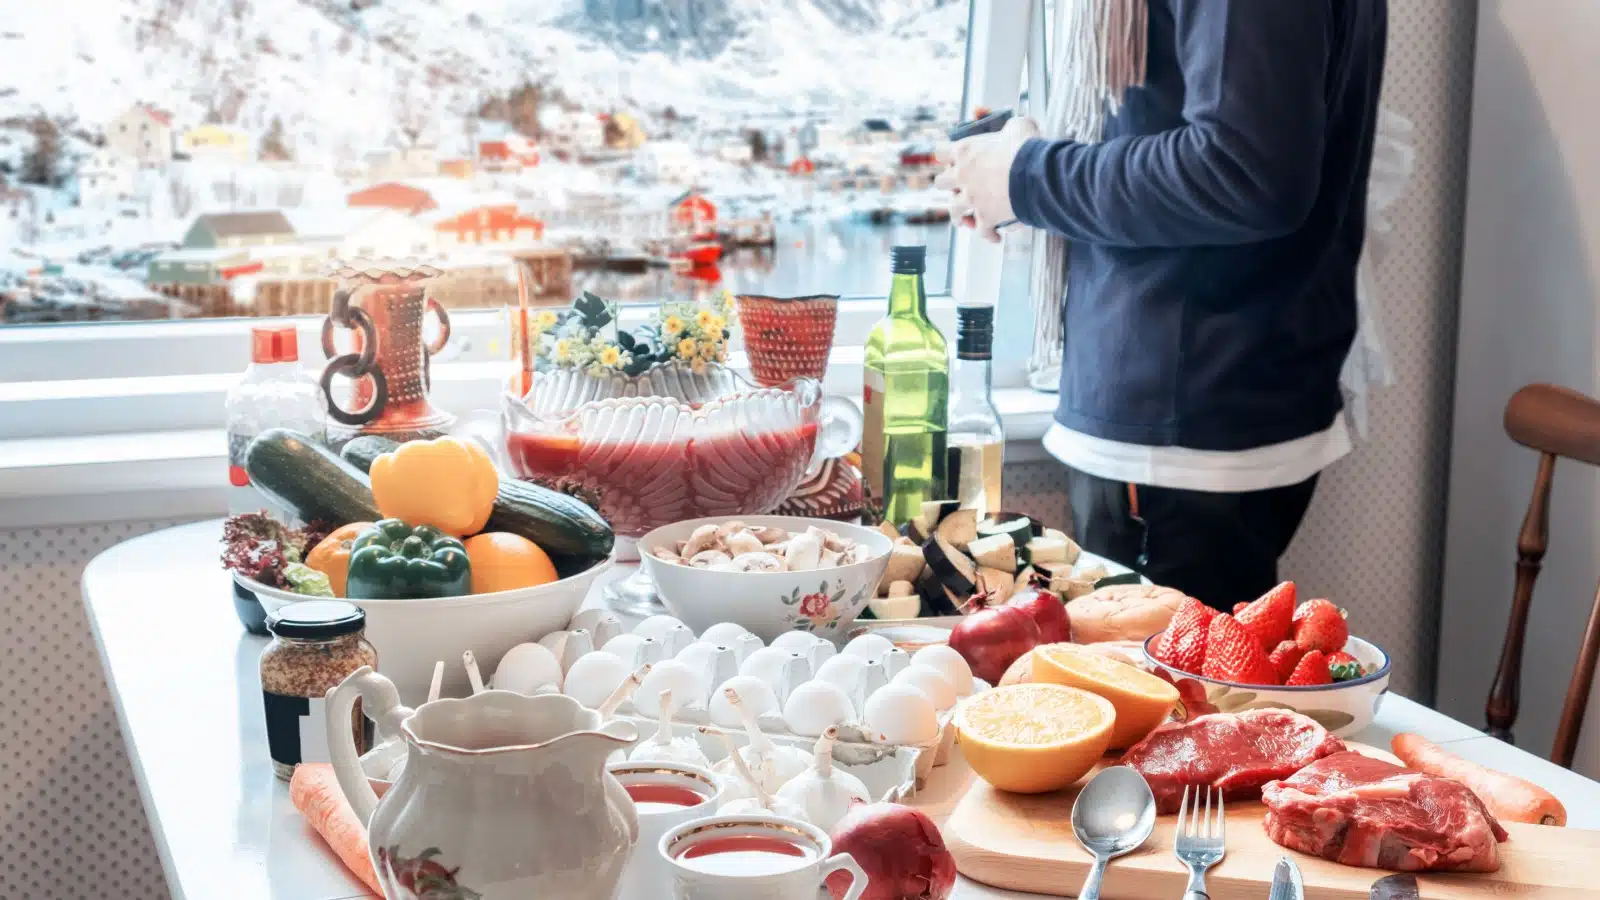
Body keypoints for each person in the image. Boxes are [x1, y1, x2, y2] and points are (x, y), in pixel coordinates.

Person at [936, 0, 1388, 611]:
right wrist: (1017, 171)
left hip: (1181, 419)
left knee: (1164, 674)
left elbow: (1242, 169)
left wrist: (1030, 178)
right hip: (1195, 403)